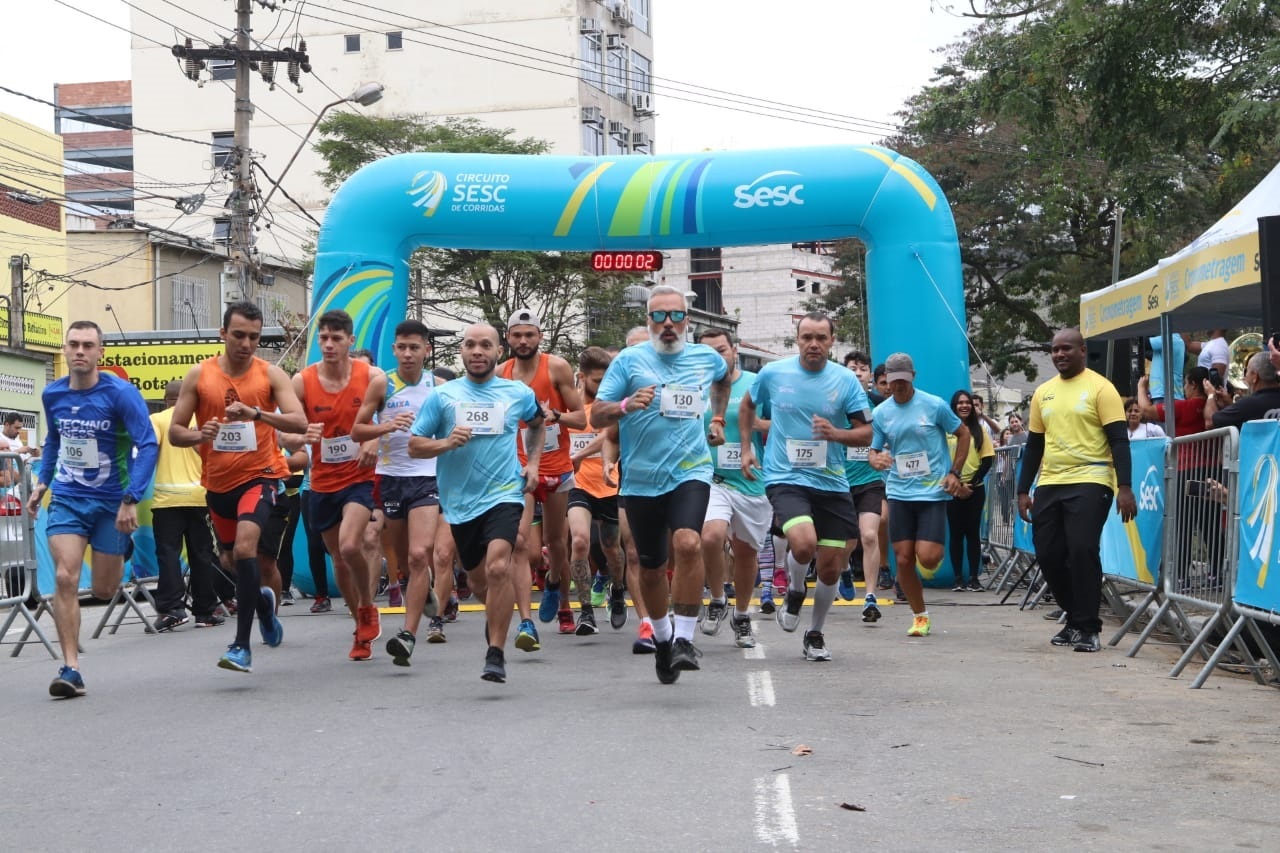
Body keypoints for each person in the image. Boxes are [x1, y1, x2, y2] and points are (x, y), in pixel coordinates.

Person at [592, 286, 732, 683]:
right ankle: (665, 639)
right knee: (652, 569)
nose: (667, 324)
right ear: (648, 320)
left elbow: (723, 379)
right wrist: (624, 405)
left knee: (688, 542)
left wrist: (717, 418)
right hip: (640, 480)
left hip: (691, 470)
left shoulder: (705, 357)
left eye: (675, 316)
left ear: (688, 319)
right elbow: (599, 416)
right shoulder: (628, 363)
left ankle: (686, 639)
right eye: (658, 317)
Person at [170, 301, 306, 673]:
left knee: (248, 549)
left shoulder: (270, 375)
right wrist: (201, 433)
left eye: (254, 337)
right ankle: (262, 602)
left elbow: (298, 422)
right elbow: (176, 432)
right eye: (239, 335)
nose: (247, 343)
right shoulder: (199, 375)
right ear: (223, 334)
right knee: (231, 559)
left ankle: (241, 645)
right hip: (218, 485)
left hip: (262, 476)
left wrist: (257, 414)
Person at [28, 320, 159, 698]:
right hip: (68, 498)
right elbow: (54, 440)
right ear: (65, 350)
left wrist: (131, 498)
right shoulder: (52, 395)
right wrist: (43, 483)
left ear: (100, 351)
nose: (80, 351)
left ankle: (120, 547)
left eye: (88, 345)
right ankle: (71, 668)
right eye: (74, 344)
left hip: (111, 502)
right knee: (66, 577)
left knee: (104, 589)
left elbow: (147, 444)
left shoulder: (120, 394)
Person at [409, 322, 544, 683]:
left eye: (486, 345)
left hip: (504, 494)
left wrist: (532, 463)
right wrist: (445, 443)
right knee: (480, 581)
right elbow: (415, 444)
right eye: (470, 345)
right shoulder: (443, 397)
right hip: (459, 503)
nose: (478, 351)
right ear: (462, 352)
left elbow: (537, 423)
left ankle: (495, 653)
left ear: (500, 352)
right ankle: (496, 620)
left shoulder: (517, 392)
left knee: (500, 566)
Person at [736, 313, 871, 661]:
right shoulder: (774, 373)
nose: (813, 344)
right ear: (797, 340)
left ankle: (815, 634)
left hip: (831, 481)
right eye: (807, 337)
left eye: (821, 338)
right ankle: (795, 589)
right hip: (786, 477)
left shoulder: (845, 380)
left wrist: (836, 434)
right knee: (803, 543)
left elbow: (867, 431)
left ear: (831, 341)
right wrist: (748, 450)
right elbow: (748, 405)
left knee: (829, 566)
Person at [1017, 328, 1136, 654]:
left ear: (1082, 350)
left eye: (1066, 348)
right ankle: (1074, 617)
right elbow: (1034, 445)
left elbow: (1118, 440)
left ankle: (1087, 627)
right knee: (1048, 553)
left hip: (1092, 478)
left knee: (1082, 549)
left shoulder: (1102, 388)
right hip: (1051, 482)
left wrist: (1124, 487)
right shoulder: (1044, 392)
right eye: (1054, 349)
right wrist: (1022, 490)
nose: (1059, 354)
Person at [351, 320, 447, 667]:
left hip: (426, 477)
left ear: (427, 350)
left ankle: (407, 634)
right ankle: (423, 587)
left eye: (415, 347)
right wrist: (384, 428)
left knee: (421, 555)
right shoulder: (382, 384)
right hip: (390, 478)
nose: (408, 354)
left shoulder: (438, 387)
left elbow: (451, 427)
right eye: (402, 347)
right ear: (394, 349)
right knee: (406, 561)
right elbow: (356, 429)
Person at [292, 309, 382, 661]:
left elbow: (386, 420)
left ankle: (367, 608)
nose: (329, 345)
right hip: (323, 481)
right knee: (339, 561)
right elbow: (287, 430)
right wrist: (300, 436)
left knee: (349, 546)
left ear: (350, 341)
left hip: (359, 477)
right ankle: (358, 617)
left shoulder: (371, 377)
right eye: (323, 338)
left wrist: (375, 441)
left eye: (336, 338)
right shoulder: (302, 381)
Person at [868, 352, 969, 638]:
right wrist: (875, 459)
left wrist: (955, 472)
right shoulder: (881, 413)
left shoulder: (934, 405)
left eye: (903, 380)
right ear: (886, 381)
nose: (898, 386)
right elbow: (874, 451)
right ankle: (919, 616)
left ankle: (927, 561)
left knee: (927, 557)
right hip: (899, 491)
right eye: (893, 381)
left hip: (931, 492)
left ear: (913, 377)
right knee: (902, 559)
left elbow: (963, 434)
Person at [500, 309, 589, 635]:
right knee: (522, 543)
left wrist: (556, 416)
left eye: (530, 335)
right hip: (519, 471)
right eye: (517, 335)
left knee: (556, 541)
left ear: (540, 336)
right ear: (508, 338)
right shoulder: (501, 373)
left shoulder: (556, 367)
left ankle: (559, 594)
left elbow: (580, 419)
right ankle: (526, 618)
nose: (523, 341)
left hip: (557, 469)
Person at [697, 328, 771, 649]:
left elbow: (781, 423)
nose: (717, 357)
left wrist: (751, 424)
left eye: (722, 350)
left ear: (735, 350)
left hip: (751, 478)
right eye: (709, 352)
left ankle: (741, 615)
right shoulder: (693, 386)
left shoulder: (756, 383)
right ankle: (716, 598)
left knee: (745, 552)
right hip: (709, 477)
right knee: (710, 536)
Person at [149, 380, 225, 632]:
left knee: (168, 555)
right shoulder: (202, 420)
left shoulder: (158, 420)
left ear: (165, 398)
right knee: (202, 555)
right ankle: (205, 611)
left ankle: (172, 609)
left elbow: (148, 451)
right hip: (199, 497)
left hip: (166, 500)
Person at [839, 350, 888, 620]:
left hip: (870, 480)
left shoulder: (880, 406)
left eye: (862, 369)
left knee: (869, 535)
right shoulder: (834, 403)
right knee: (847, 541)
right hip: (840, 481)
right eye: (852, 368)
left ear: (871, 375)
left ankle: (870, 597)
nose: (857, 373)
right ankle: (845, 568)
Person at [946, 390, 994, 591]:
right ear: (954, 406)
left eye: (967, 403)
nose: (964, 406)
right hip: (952, 490)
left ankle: (974, 578)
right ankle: (958, 579)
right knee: (955, 534)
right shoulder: (946, 430)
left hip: (975, 490)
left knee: (973, 534)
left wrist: (971, 484)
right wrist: (955, 483)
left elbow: (988, 459)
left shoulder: (979, 430)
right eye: (959, 403)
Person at [1210, 352, 1280, 428]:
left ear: (1255, 376)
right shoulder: (1248, 405)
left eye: (1246, 371)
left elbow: (1210, 422)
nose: (1244, 377)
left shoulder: (1249, 404)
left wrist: (1210, 394)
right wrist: (1229, 402)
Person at [1147, 333, 1186, 402]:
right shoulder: (1176, 340)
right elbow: (1149, 354)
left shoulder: (1170, 337)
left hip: (1164, 395)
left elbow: (1145, 343)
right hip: (1165, 394)